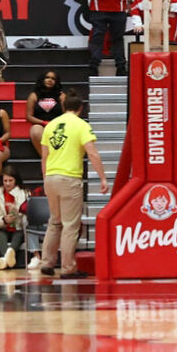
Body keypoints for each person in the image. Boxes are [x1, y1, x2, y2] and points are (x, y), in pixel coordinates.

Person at [38, 89, 108, 277]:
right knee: (70, 225)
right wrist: (102, 177)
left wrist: (45, 179)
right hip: (69, 178)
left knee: (55, 222)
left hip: (50, 177)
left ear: (63, 107)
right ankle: (68, 267)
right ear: (80, 108)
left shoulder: (50, 125)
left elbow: (44, 158)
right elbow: (92, 152)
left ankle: (47, 263)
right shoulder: (80, 125)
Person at [78, 0, 132, 77]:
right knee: (97, 37)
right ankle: (93, 67)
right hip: (98, 8)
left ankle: (121, 67)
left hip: (119, 7)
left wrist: (129, 1)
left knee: (118, 39)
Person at [0, 165, 27, 269]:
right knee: (0, 236)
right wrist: (3, 220)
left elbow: (27, 214)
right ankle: (8, 259)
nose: (8, 183)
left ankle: (5, 261)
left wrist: (17, 213)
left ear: (16, 180)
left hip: (18, 228)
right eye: (5, 180)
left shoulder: (23, 193)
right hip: (1, 228)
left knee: (18, 236)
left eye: (10, 180)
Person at [27, 70, 64, 151]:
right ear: (42, 79)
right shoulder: (34, 95)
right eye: (47, 77)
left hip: (57, 125)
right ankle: (47, 160)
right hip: (40, 124)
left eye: (53, 78)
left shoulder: (61, 96)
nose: (50, 80)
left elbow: (66, 115)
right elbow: (29, 116)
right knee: (35, 131)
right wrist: (43, 122)